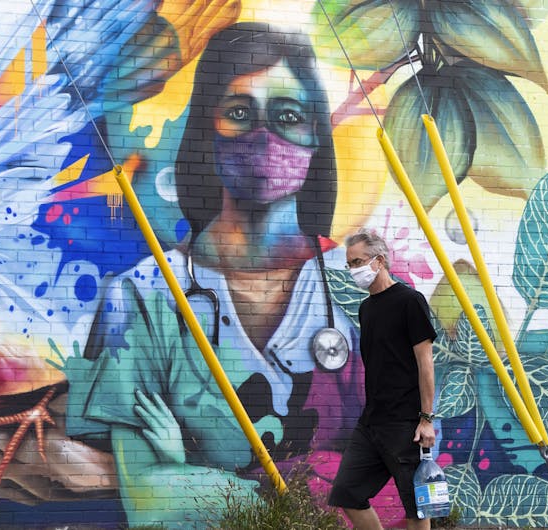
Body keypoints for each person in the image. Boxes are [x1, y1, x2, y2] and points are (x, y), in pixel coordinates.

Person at [64, 22, 367, 527]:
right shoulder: (141, 297)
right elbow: (146, 500)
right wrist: (302, 498)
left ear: (318, 137)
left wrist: (188, 473)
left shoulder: (359, 289)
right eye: (238, 113)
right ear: (205, 131)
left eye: (287, 115)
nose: (263, 135)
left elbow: (404, 459)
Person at [329, 229, 438, 530]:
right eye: (349, 264)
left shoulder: (409, 301)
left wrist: (426, 419)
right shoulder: (367, 308)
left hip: (405, 425)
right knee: (347, 493)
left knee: (416, 508)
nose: (353, 270)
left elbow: (425, 364)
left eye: (357, 262)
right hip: (371, 423)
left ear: (378, 261)